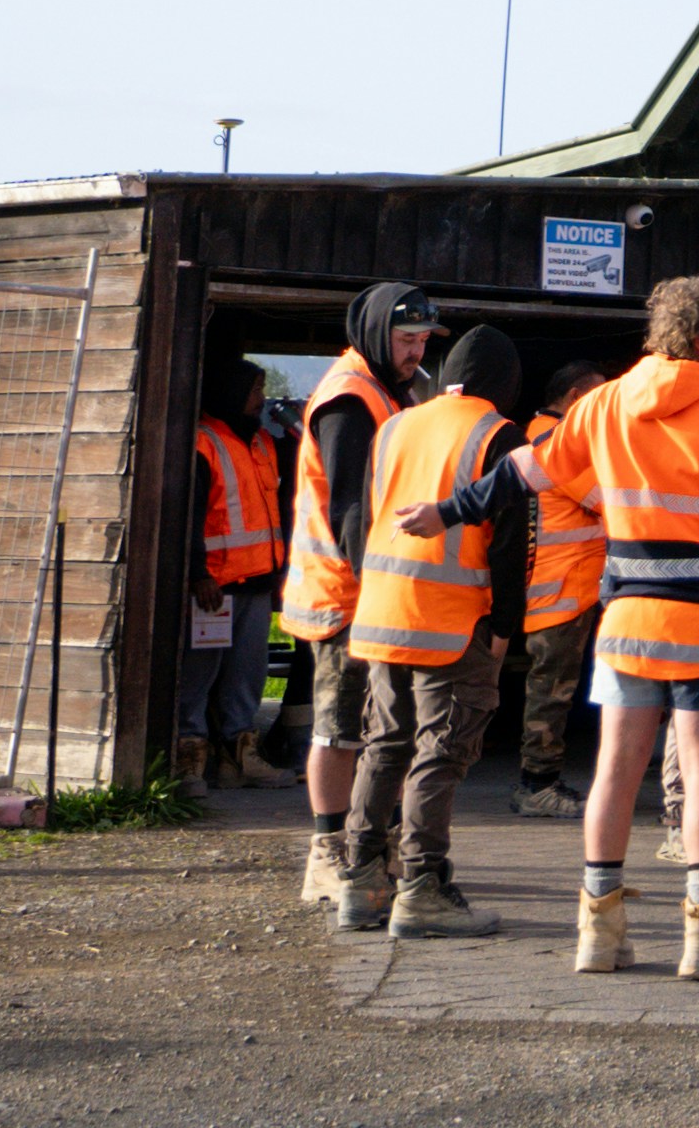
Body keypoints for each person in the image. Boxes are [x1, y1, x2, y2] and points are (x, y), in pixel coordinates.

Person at [404, 274, 699, 980]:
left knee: (616, 772)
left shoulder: (602, 405)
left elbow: (524, 471)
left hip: (625, 621)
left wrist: (447, 511)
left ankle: (598, 931)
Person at [332, 325, 537, 938]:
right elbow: (510, 546)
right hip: (454, 620)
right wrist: (504, 628)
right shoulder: (500, 435)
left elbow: (362, 515)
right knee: (441, 752)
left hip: (385, 612)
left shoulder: (397, 423)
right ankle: (423, 885)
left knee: (385, 745)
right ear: (504, 383)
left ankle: (362, 881)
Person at [284, 283, 436, 924]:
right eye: (407, 340)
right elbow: (348, 505)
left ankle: (368, 847)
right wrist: (376, 580)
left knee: (371, 727)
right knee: (339, 727)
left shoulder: (383, 389)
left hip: (365, 589)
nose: (417, 352)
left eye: (425, 341)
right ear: (378, 333)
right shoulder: (349, 398)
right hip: (343, 594)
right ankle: (326, 850)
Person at [501, 359, 607, 819]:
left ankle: (542, 778)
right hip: (561, 588)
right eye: (598, 399)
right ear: (576, 400)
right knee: (552, 689)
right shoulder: (555, 442)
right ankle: (536, 784)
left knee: (554, 688)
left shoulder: (543, 436)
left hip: (567, 586)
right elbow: (610, 499)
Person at [178, 354, 287, 793]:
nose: (262, 398)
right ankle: (190, 760)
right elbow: (188, 514)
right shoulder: (204, 443)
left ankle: (239, 759)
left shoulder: (262, 442)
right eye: (256, 390)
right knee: (198, 675)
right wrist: (196, 571)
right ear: (233, 393)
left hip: (258, 582)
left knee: (248, 675)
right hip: (214, 588)